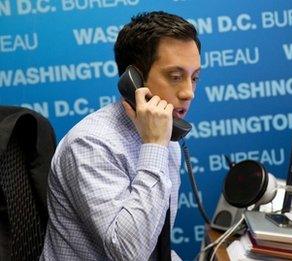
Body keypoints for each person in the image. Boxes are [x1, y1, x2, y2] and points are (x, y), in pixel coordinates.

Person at [40, 11, 201, 260]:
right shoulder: (90, 145)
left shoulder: (164, 134)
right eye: (176, 77)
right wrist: (155, 147)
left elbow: (153, 243)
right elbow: (130, 253)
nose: (188, 92)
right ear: (134, 80)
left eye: (194, 78)